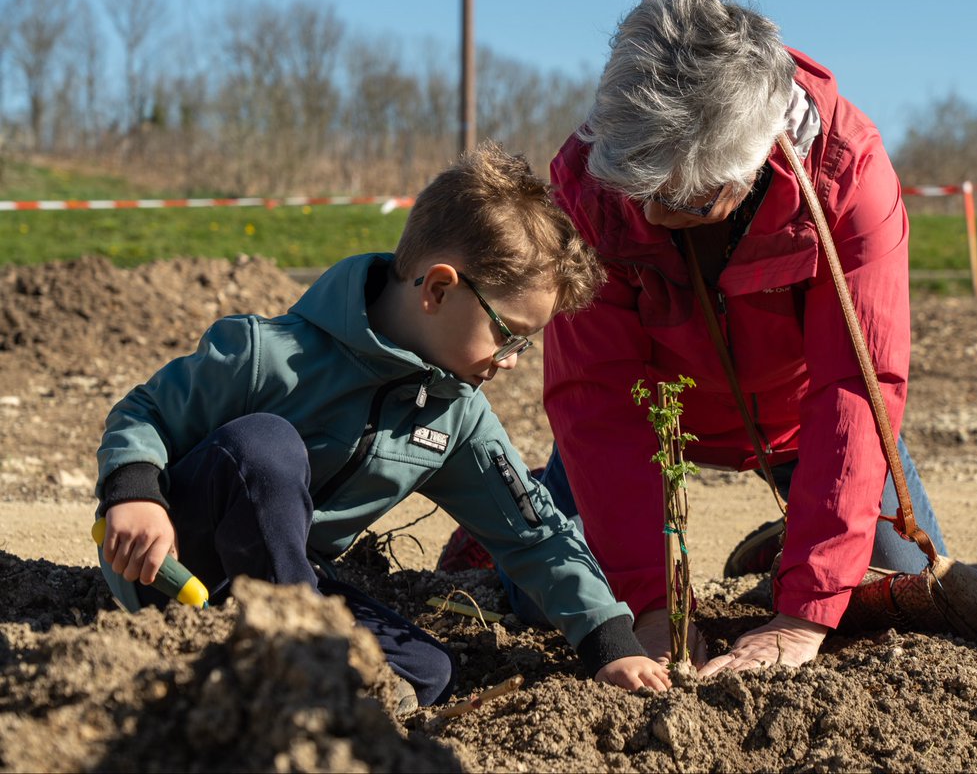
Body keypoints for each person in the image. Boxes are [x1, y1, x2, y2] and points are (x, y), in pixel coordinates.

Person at [93, 142, 671, 708]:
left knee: (431, 673)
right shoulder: (268, 352)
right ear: (439, 289)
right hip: (169, 573)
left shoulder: (455, 414)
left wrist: (610, 644)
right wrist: (135, 494)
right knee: (264, 445)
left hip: (285, 590)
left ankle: (298, 667)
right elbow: (145, 412)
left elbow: (533, 532)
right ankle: (303, 665)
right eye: (508, 334)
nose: (512, 360)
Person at [531, 0, 954, 674]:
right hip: (651, 419)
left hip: (801, 425)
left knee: (885, 592)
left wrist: (803, 615)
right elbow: (596, 397)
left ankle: (783, 553)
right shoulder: (587, 187)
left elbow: (855, 385)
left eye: (686, 202)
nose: (654, 216)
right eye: (641, 193)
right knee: (546, 597)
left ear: (756, 159)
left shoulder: (846, 171)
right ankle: (510, 525)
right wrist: (649, 608)